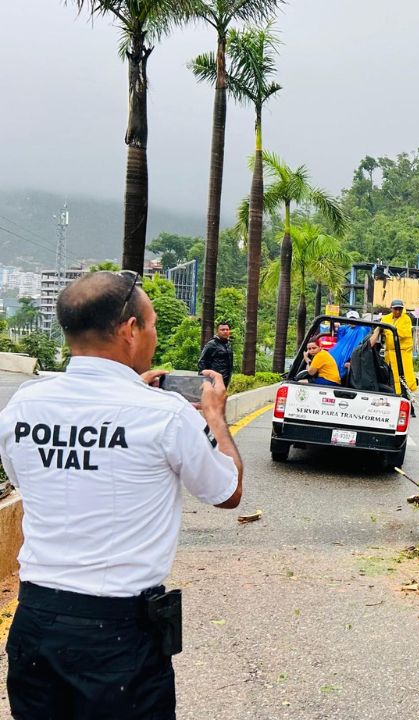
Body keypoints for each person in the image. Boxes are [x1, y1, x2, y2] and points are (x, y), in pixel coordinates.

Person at [0, 270, 244, 720]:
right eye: (151, 325)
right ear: (130, 330)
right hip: (118, 638)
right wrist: (214, 418)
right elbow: (227, 492)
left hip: (35, 624)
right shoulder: (166, 415)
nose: (152, 334)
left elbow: (26, 479)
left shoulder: (23, 405)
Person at [380, 299, 417, 395]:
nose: (398, 311)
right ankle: (393, 391)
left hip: (403, 352)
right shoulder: (385, 319)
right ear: (391, 308)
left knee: (405, 373)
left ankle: (405, 392)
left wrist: (389, 331)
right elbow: (381, 331)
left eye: (400, 309)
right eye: (396, 309)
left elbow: (403, 333)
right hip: (390, 352)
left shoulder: (406, 319)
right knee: (390, 374)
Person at [197, 321, 233, 388]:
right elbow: (202, 361)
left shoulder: (228, 344)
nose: (225, 331)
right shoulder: (212, 344)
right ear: (217, 331)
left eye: (227, 330)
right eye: (222, 330)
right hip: (214, 379)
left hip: (225, 379)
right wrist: (203, 379)